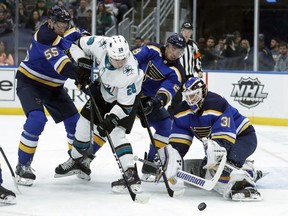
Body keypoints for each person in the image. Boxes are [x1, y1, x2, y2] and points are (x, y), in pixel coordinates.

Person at [54, 35, 145, 193]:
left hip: (124, 101)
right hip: (103, 92)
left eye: (123, 59)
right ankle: (76, 160)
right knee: (82, 125)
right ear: (108, 52)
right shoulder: (100, 44)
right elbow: (76, 45)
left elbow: (124, 107)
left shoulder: (130, 74)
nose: (120, 63)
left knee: (117, 134)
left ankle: (131, 173)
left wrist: (111, 119)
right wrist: (82, 63)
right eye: (116, 60)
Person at [14, 5, 86, 186]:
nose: (64, 27)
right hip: (31, 82)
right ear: (50, 22)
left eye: (66, 24)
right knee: (37, 119)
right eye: (60, 25)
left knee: (76, 123)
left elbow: (83, 40)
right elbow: (63, 67)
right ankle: (23, 165)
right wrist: (83, 76)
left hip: (54, 87)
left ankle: (76, 160)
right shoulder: (45, 37)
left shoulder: (69, 30)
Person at [161, 77, 262, 201]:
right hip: (217, 142)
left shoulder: (216, 104)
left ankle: (247, 177)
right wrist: (171, 157)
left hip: (243, 137)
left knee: (225, 166)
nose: (190, 100)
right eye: (187, 96)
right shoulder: (181, 112)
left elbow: (224, 141)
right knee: (209, 169)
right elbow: (179, 142)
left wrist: (216, 159)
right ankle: (233, 169)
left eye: (193, 95)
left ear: (203, 92)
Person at [132, 33, 186, 181]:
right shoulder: (152, 49)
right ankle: (83, 159)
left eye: (179, 51)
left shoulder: (177, 72)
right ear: (167, 45)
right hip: (125, 91)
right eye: (174, 49)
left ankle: (149, 163)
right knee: (107, 125)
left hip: (146, 100)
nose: (175, 53)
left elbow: (166, 91)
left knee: (165, 125)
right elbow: (131, 61)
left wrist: (155, 102)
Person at [168, 22, 203, 116]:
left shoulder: (193, 45)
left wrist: (199, 70)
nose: (186, 33)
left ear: (191, 32)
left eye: (189, 31)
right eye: (184, 31)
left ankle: (192, 116)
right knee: (176, 98)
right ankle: (170, 117)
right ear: (181, 31)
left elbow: (197, 58)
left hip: (189, 76)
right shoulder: (176, 44)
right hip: (178, 76)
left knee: (193, 97)